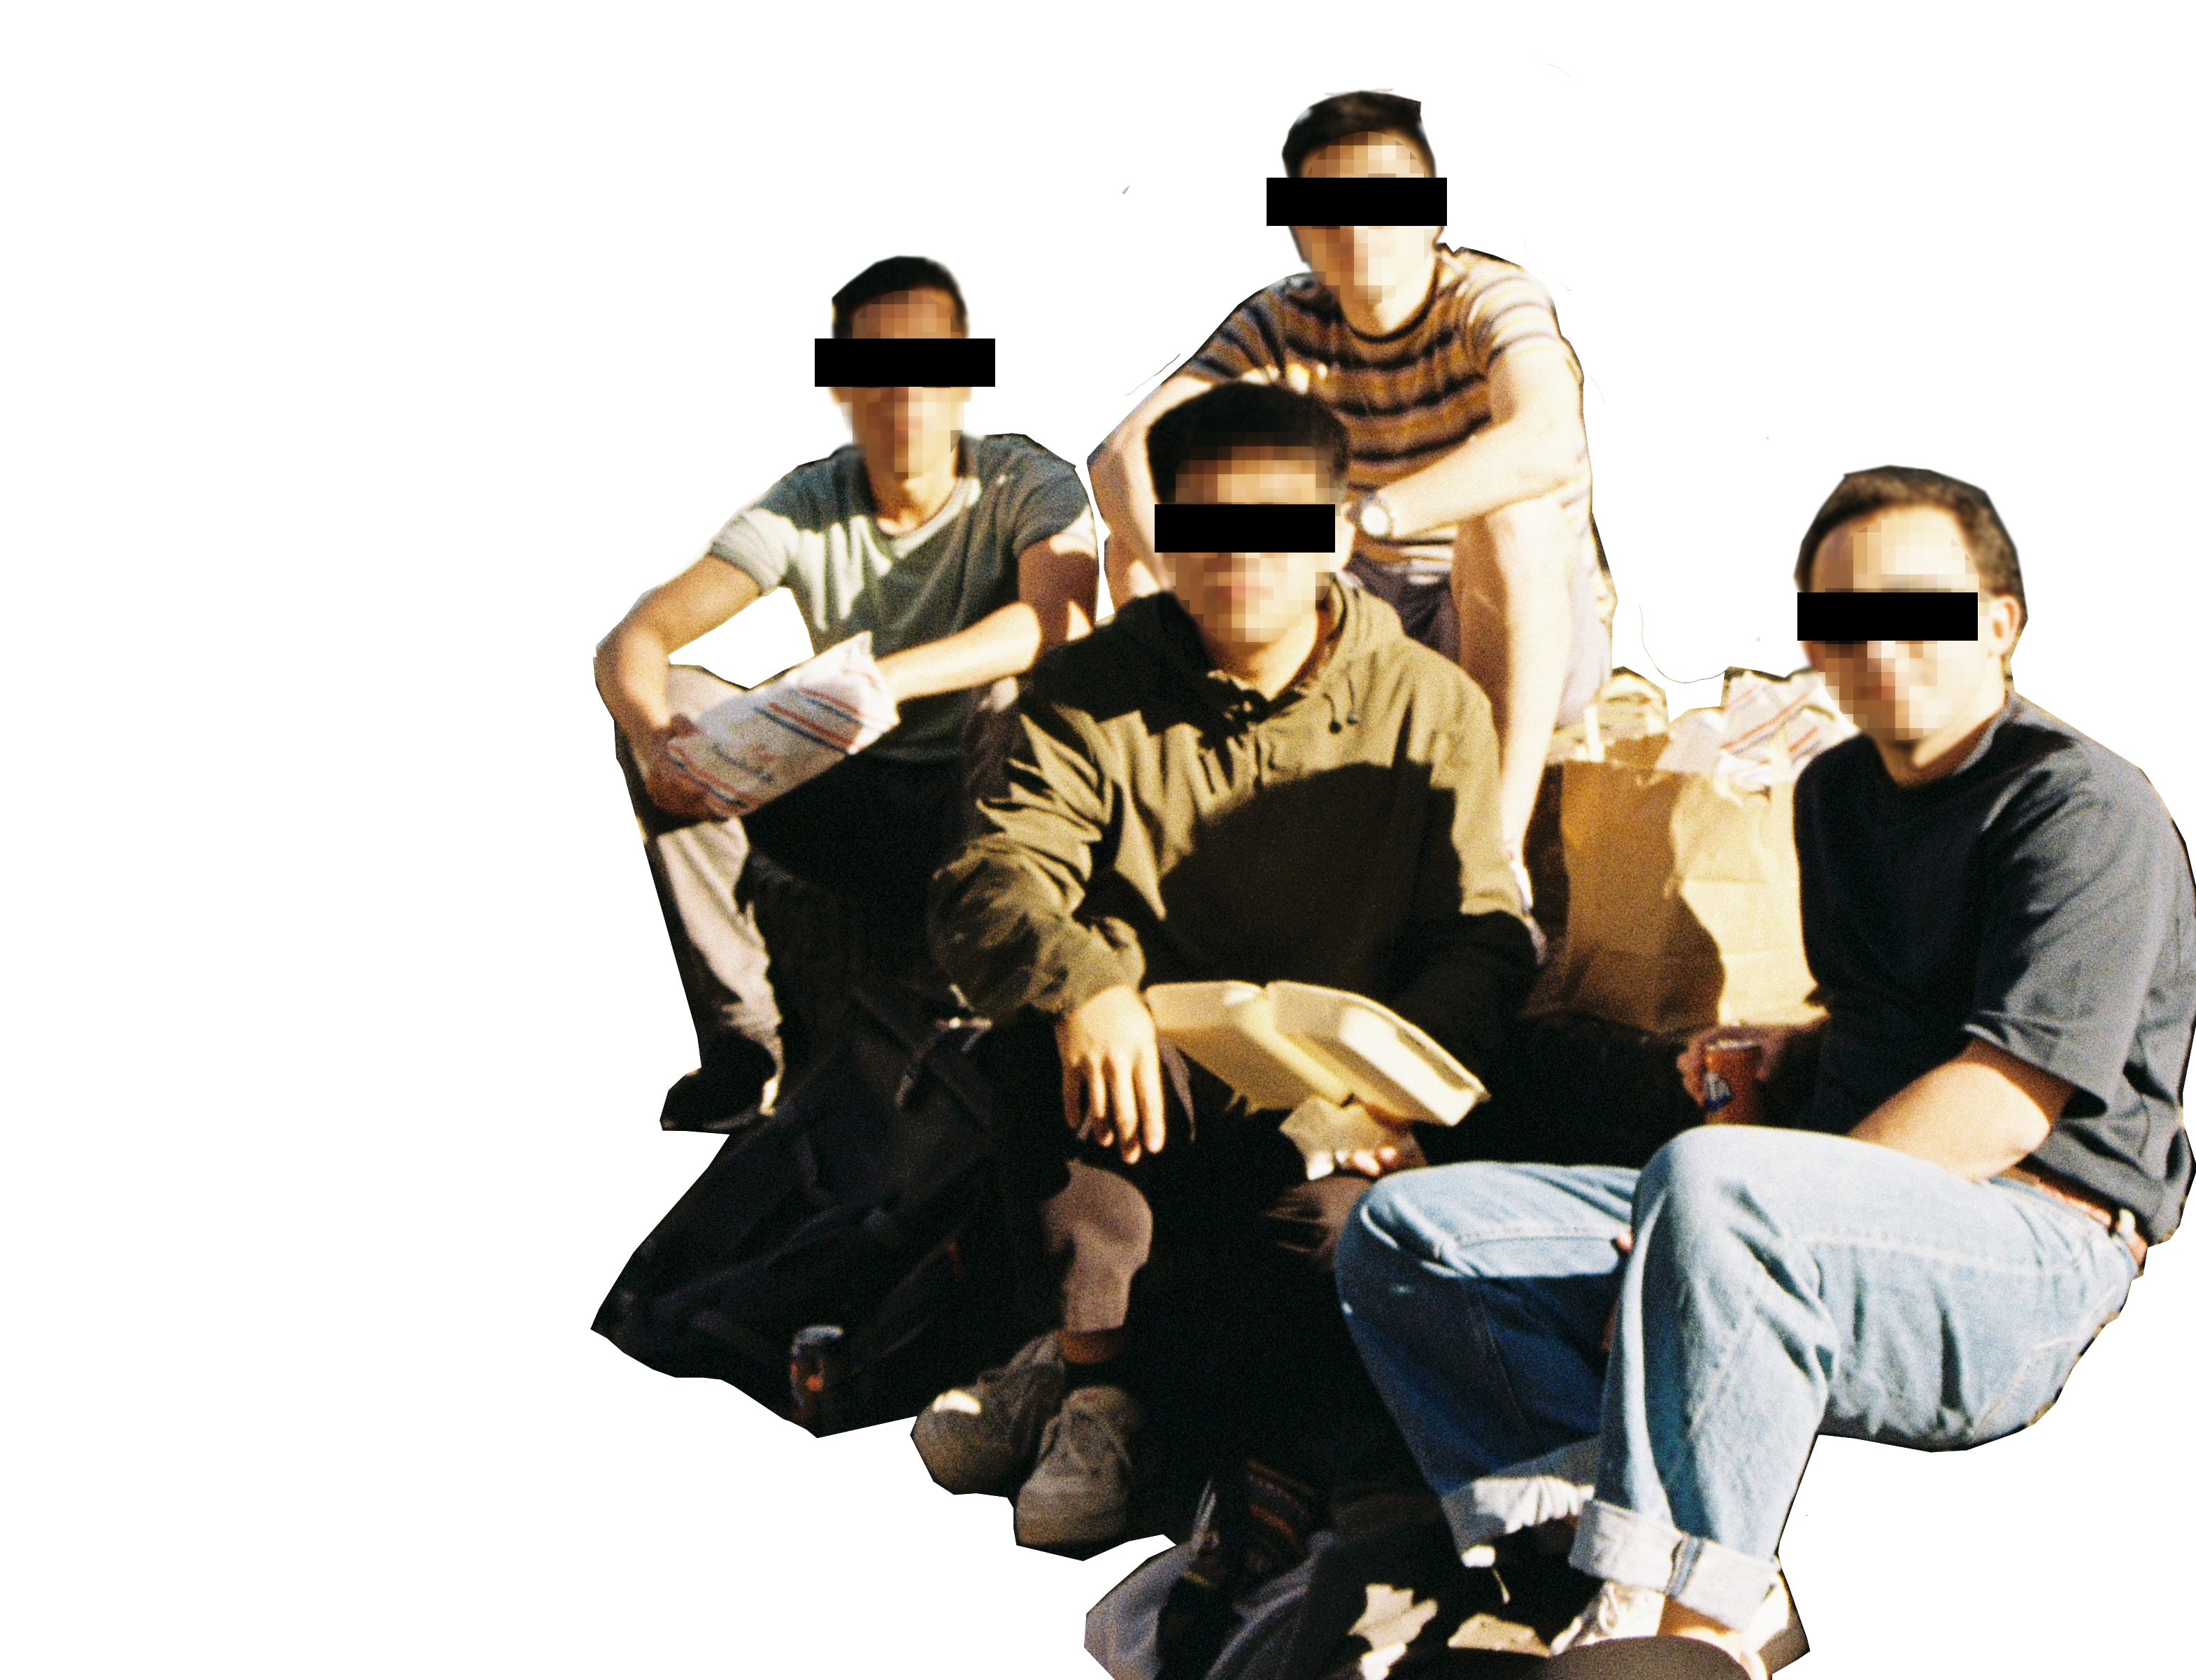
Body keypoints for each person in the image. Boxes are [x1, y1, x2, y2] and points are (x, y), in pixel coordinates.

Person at [1331, 467, 2196, 1679]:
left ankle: (1699, 1618)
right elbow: (1889, 1019)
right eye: (1845, 614)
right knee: (1408, 1230)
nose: (1882, 640)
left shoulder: (2081, 807)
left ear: (2001, 622)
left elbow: (2005, 1101)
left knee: (1707, 1190)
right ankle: (1593, 1552)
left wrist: (1727, 1219)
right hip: (1830, 1213)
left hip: (2030, 1243)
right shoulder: (1835, 792)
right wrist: (1788, 1059)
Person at [913, 380, 1539, 1559]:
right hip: (1148, 1065)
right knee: (1041, 1043)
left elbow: (1485, 933)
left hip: (1331, 1094)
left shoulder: (1430, 704)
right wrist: (1086, 984)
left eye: (1276, 523)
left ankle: (1157, 1394)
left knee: (1347, 1242)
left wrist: (1394, 1082)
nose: (1240, 554)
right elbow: (993, 876)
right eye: (1205, 521)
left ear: (1337, 534)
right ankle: (1091, 1384)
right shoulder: (1089, 687)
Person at [588, 253, 1099, 1132]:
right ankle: (746, 1042)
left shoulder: (1028, 480)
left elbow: (1058, 622)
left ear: (967, 379)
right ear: (837, 388)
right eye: (875, 366)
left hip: (980, 800)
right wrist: (652, 733)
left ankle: (998, 1000)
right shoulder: (805, 502)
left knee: (1021, 700)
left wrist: (887, 679)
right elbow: (632, 639)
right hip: (845, 790)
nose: (904, 390)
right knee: (675, 699)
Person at [1087, 86, 1616, 899]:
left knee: (1515, 519)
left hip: (1508, 613)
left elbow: (1548, 435)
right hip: (1366, 607)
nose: (1356, 226)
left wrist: (1369, 516)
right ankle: (1219, 795)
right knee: (1137, 546)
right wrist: (1193, 579)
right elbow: (1122, 454)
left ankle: (1492, 862)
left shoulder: (1490, 297)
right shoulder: (1283, 317)